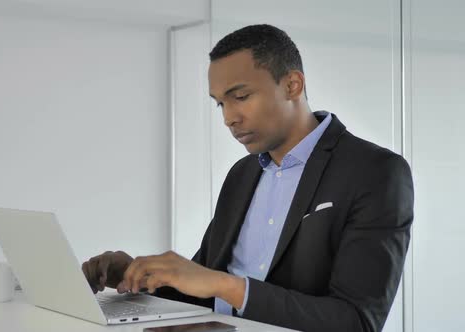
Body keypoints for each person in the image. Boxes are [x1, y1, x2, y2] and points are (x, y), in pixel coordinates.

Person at [82, 24, 413, 332]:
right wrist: (135, 275)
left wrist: (227, 286)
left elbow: (356, 321)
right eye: (220, 104)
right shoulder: (242, 175)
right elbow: (202, 290)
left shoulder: (376, 172)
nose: (229, 118)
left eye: (240, 97)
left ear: (292, 85)